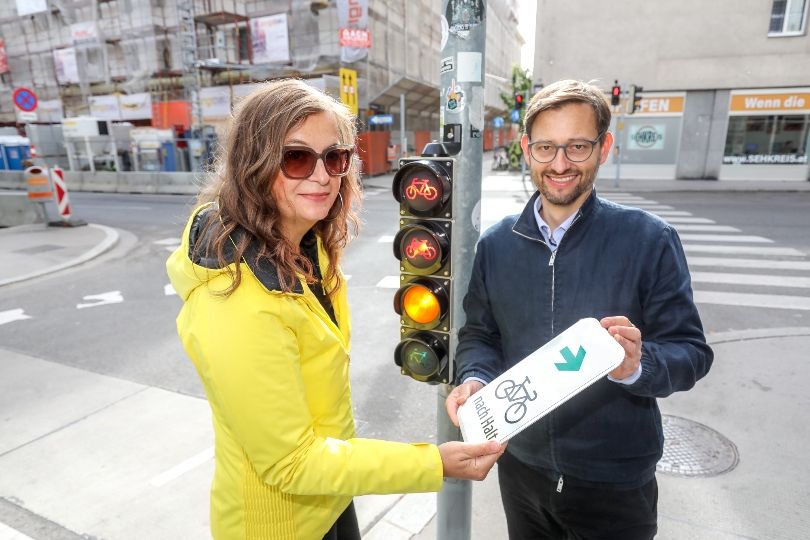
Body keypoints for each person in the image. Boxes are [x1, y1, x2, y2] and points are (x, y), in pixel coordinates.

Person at [166, 79, 504, 540]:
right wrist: (431, 463)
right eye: (297, 157)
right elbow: (291, 463)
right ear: (254, 164)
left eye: (336, 157)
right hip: (279, 525)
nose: (323, 175)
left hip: (329, 499)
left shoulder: (305, 248)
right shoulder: (235, 302)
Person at [445, 79, 713, 540]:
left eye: (578, 147)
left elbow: (691, 353)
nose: (560, 164)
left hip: (614, 482)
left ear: (604, 147)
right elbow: (480, 336)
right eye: (546, 147)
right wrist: (477, 380)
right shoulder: (496, 245)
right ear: (526, 148)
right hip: (522, 469)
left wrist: (636, 365)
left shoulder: (649, 240)